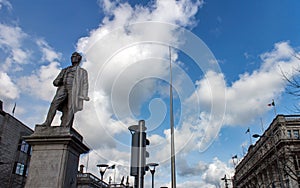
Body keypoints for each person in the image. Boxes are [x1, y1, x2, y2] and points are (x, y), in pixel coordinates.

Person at [37, 52, 89, 127]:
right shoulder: (65, 70)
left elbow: (85, 83)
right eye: (72, 56)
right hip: (63, 87)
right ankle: (47, 123)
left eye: (75, 56)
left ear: (79, 59)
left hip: (74, 89)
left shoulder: (82, 72)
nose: (73, 58)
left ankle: (67, 126)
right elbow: (56, 81)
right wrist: (57, 81)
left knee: (71, 107)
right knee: (54, 103)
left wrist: (84, 95)